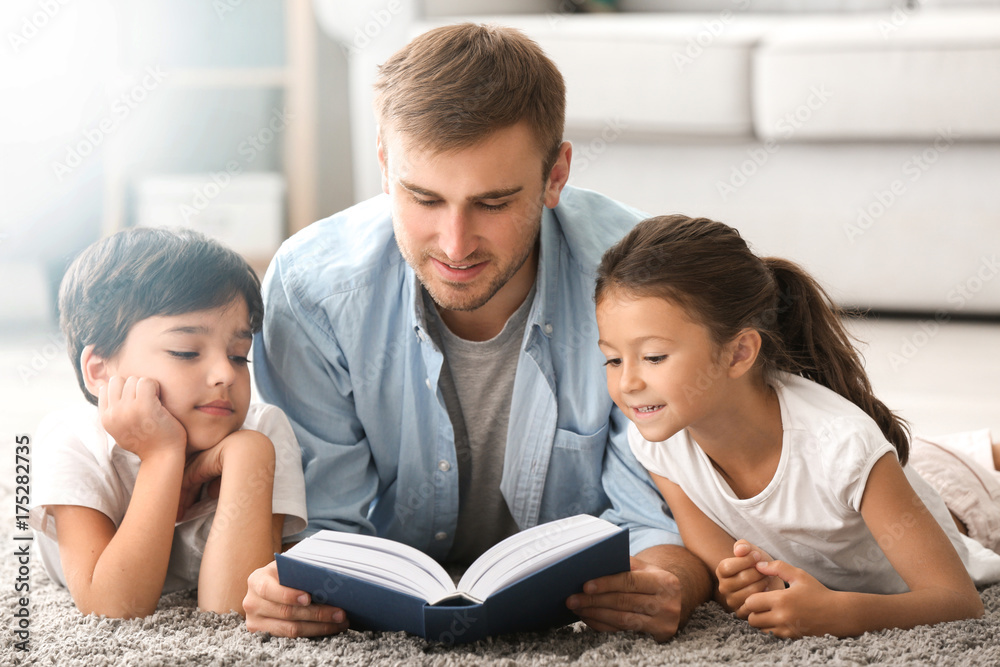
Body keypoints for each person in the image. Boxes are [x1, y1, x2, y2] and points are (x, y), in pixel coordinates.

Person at [244, 23, 712, 640]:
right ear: (385, 165)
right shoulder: (312, 290)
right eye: (424, 198)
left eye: (492, 203)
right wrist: (289, 587)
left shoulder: (642, 283)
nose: (455, 244)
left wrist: (669, 579)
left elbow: (660, 522)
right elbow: (324, 527)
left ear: (556, 175)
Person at [593, 214, 1000, 639]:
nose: (627, 383)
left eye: (654, 357)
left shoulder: (844, 447)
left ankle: (977, 451)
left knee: (953, 476)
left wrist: (842, 612)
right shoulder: (658, 442)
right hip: (876, 480)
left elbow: (960, 602)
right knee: (920, 461)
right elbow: (723, 564)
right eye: (613, 359)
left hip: (967, 503)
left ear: (738, 353)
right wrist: (738, 583)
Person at [29, 228, 308, 619]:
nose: (223, 374)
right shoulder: (73, 442)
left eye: (238, 355)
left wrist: (248, 455)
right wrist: (162, 455)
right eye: (186, 351)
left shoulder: (262, 432)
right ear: (99, 370)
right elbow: (113, 607)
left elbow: (230, 609)